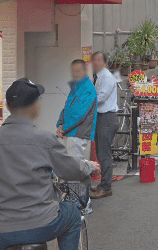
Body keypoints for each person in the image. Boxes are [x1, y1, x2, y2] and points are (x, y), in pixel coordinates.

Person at [0, 78, 99, 250]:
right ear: (36, 106)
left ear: (8, 106)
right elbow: (71, 170)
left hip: (3, 228)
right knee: (71, 215)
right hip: (42, 222)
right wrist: (89, 166)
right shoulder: (44, 139)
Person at [57, 59, 98, 212]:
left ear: (85, 71)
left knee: (76, 168)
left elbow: (79, 115)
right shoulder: (76, 86)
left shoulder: (87, 88)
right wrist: (60, 124)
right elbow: (66, 107)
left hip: (77, 133)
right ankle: (79, 202)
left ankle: (83, 204)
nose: (75, 73)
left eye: (79, 70)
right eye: (73, 70)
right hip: (71, 132)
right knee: (74, 167)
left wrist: (64, 128)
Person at [90, 51, 119, 199]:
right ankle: (103, 184)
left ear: (105, 62)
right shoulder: (98, 76)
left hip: (107, 118)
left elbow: (100, 98)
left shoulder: (107, 77)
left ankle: (106, 187)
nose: (96, 62)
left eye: (99, 60)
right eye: (94, 60)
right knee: (102, 154)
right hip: (102, 118)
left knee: (104, 154)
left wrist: (86, 98)